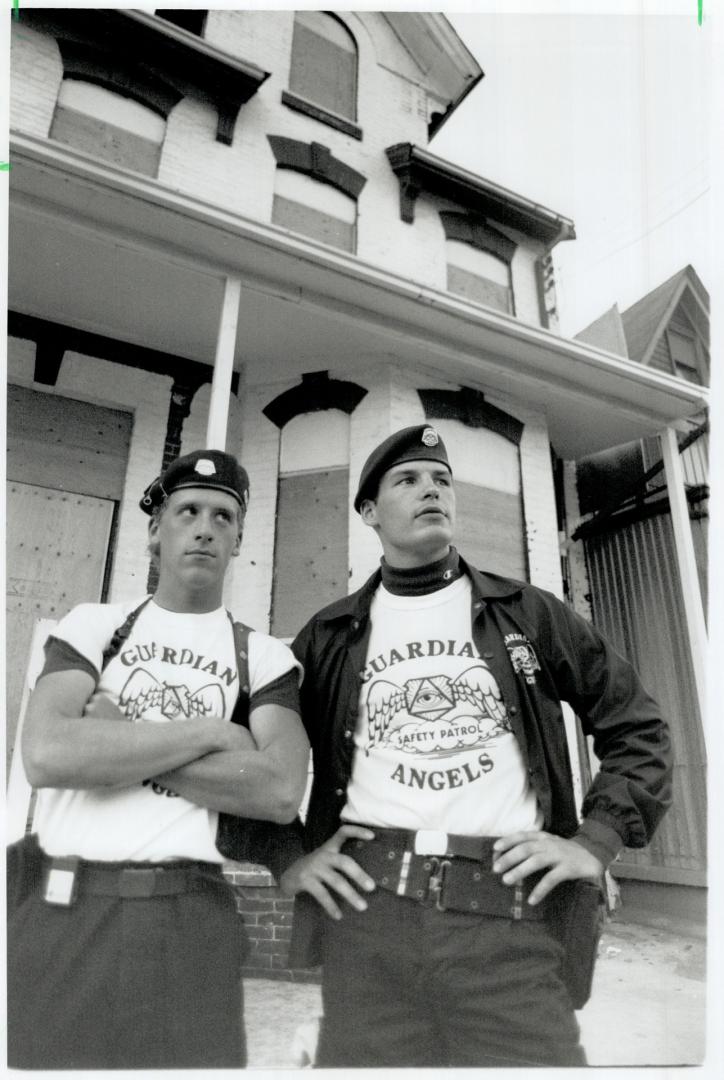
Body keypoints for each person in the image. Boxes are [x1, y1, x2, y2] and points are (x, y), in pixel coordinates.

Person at [282, 424, 672, 1068]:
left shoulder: (530, 614)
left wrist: (596, 842)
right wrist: (284, 856)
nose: (431, 490)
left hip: (508, 925)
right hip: (368, 928)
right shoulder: (327, 637)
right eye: (407, 480)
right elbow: (253, 752)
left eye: (441, 480)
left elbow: (637, 726)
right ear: (369, 512)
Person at [7, 449, 310, 1070]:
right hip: (68, 910)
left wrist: (119, 740)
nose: (205, 527)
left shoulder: (262, 657)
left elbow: (278, 789)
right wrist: (217, 734)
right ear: (154, 531)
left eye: (223, 517)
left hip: (190, 914)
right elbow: (47, 752)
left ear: (238, 542)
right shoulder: (97, 626)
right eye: (188, 511)